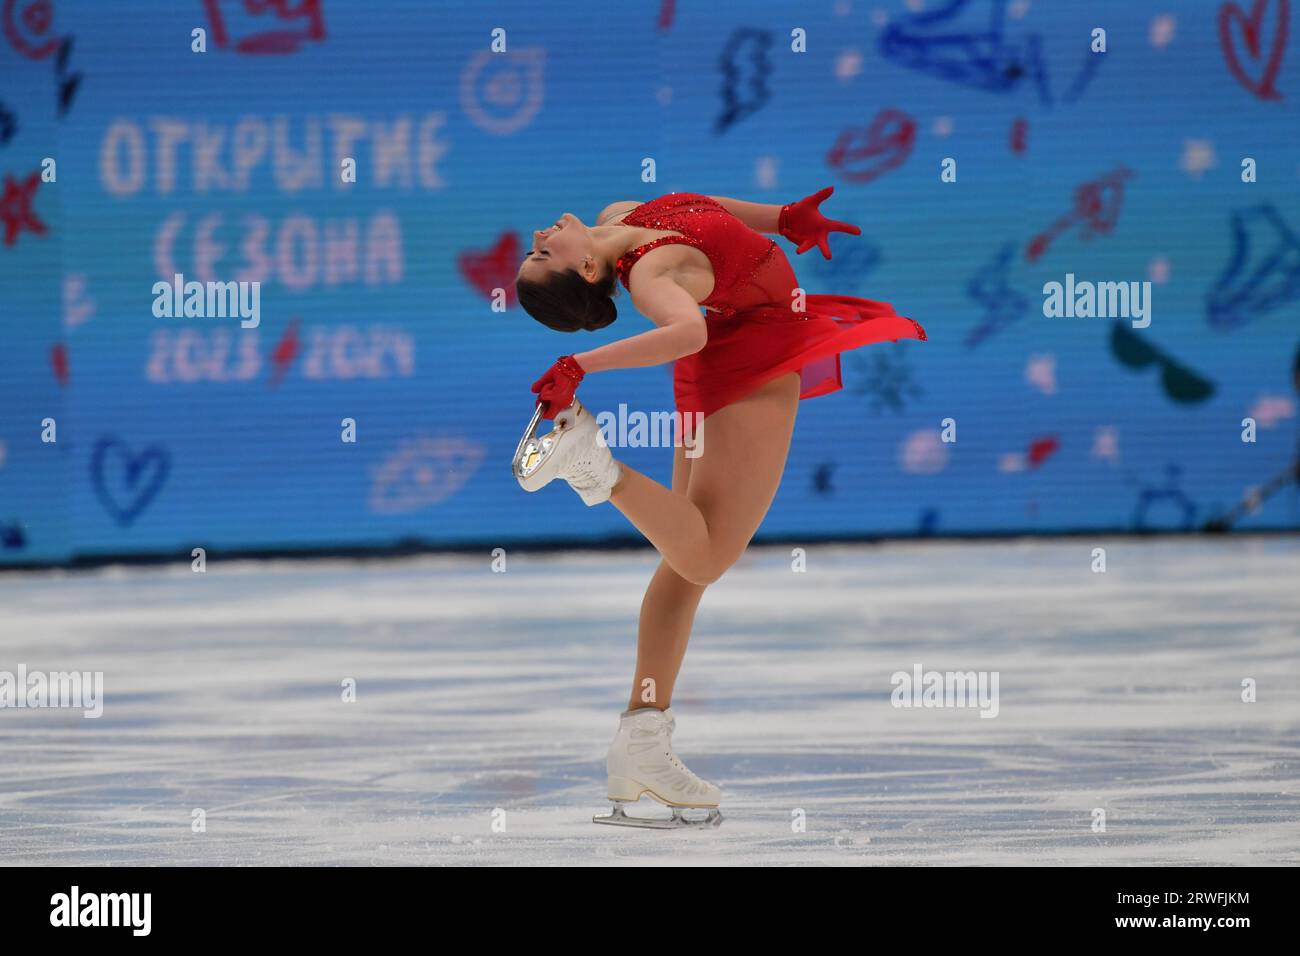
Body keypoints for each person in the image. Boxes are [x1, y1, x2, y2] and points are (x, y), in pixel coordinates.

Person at [515, 188, 926, 826]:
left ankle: (640, 746)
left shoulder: (620, 216)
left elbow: (705, 206)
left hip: (726, 351)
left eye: (536, 248)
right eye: (546, 252)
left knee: (684, 569)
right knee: (705, 555)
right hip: (749, 357)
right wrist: (579, 365)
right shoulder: (648, 272)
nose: (541, 233)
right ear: (590, 270)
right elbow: (685, 330)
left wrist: (785, 221)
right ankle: (596, 468)